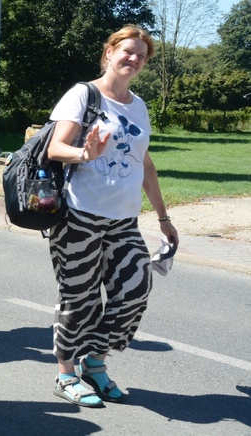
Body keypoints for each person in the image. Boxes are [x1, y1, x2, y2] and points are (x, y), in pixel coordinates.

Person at [45, 24, 179, 407]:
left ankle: (96, 362)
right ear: (109, 52)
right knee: (79, 298)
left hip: (123, 221)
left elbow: (145, 166)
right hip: (79, 216)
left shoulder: (138, 106)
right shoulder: (83, 95)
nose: (134, 59)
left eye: (141, 55)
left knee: (135, 291)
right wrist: (86, 155)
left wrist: (164, 220)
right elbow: (56, 148)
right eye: (128, 51)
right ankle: (65, 374)